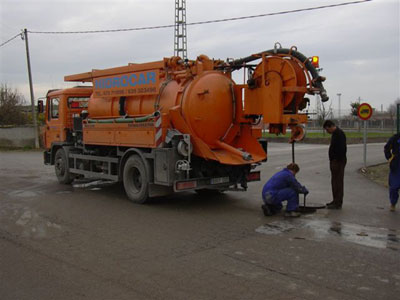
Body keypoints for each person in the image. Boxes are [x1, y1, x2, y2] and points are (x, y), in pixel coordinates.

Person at [323, 120, 347, 209]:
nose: (327, 132)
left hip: (338, 162)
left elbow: (342, 149)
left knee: (338, 182)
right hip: (335, 161)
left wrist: (335, 159)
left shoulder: (339, 134)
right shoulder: (335, 134)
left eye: (327, 129)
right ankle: (335, 200)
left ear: (331, 126)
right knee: (334, 181)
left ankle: (338, 202)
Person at [384, 133, 400, 211]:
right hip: (396, 165)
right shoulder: (395, 138)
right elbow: (387, 148)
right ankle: (393, 203)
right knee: (394, 186)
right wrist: (390, 159)